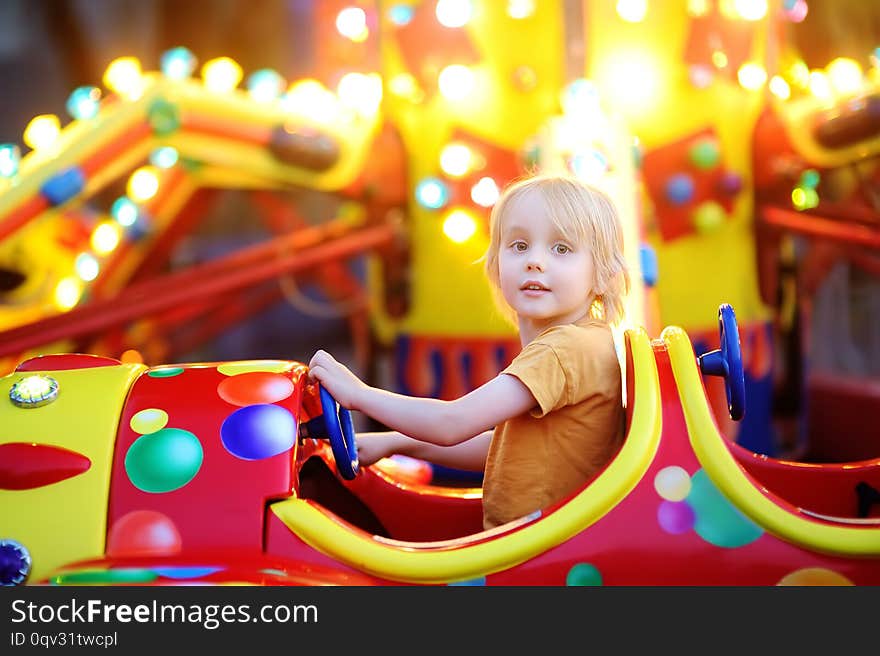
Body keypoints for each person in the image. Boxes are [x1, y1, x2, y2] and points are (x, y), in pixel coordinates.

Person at [308, 173, 631, 530]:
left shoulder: (563, 349)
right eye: (520, 245)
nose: (534, 261)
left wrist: (360, 396)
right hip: (542, 545)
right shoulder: (585, 341)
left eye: (561, 248)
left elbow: (453, 423)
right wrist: (395, 442)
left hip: (534, 557)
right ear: (496, 263)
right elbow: (505, 450)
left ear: (603, 274)